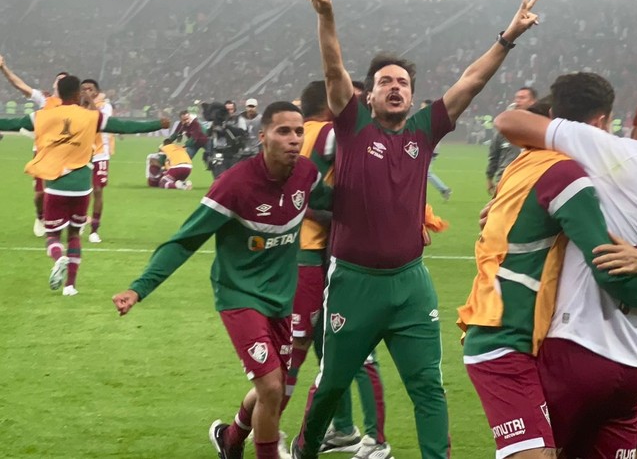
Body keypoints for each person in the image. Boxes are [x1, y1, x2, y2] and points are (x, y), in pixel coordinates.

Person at [290, 0, 539, 459]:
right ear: (369, 92)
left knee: (429, 387)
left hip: (410, 283)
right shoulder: (353, 124)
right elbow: (332, 68)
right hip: (354, 283)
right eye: (386, 81)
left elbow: (471, 81)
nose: (396, 87)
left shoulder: (425, 130)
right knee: (332, 384)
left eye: (402, 81)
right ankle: (306, 447)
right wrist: (326, 15)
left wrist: (508, 37)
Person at [459, 73, 637, 459]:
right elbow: (607, 259)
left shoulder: (524, 165)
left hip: (507, 328)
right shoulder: (572, 176)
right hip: (512, 337)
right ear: (600, 123)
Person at [112, 102, 319, 459]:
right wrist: (138, 288)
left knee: (276, 387)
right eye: (283, 131)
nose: (293, 139)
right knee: (271, 387)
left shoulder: (307, 175)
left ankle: (232, 438)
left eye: (298, 131)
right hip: (239, 296)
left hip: (282, 298)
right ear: (263, 135)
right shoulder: (235, 184)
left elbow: (338, 203)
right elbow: (185, 240)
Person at [284, 81, 393, 458]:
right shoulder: (332, 132)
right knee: (346, 347)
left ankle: (351, 431)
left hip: (306, 254)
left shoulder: (304, 135)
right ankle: (360, 435)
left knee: (327, 346)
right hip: (322, 254)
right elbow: (311, 190)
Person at [0, 75, 167, 296]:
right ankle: (70, 286)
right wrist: (157, 124)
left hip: (56, 184)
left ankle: (59, 258)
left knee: (52, 236)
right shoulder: (92, 117)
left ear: (58, 93)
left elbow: (10, 123)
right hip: (81, 187)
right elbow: (124, 126)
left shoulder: (42, 115)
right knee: (75, 235)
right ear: (78, 94)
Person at [0, 54, 66, 237]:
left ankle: (68, 221)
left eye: (64, 80)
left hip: (66, 153)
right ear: (54, 85)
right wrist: (4, 68)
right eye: (58, 80)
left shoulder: (75, 105)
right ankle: (40, 216)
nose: (60, 82)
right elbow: (20, 85)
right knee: (40, 194)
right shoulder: (45, 100)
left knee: (64, 192)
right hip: (43, 153)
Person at [486, 86, 537, 194]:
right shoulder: (504, 129)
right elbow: (494, 154)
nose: (518, 100)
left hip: (529, 181)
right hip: (504, 180)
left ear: (533, 102)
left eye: (522, 97)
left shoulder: (540, 128)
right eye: (516, 97)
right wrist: (490, 177)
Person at [80, 79, 113, 243]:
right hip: (80, 154)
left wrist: (90, 102)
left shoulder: (105, 106)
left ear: (97, 92)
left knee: (98, 190)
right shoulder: (76, 107)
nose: (86, 91)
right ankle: (79, 220)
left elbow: (100, 122)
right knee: (80, 190)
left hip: (100, 153)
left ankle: (94, 229)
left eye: (90, 89)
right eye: (84, 89)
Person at [420, 99, 453, 201]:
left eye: (423, 107)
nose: (421, 109)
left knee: (425, 173)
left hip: (430, 148)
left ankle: (444, 189)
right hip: (430, 148)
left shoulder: (431, 119)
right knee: (422, 173)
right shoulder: (430, 118)